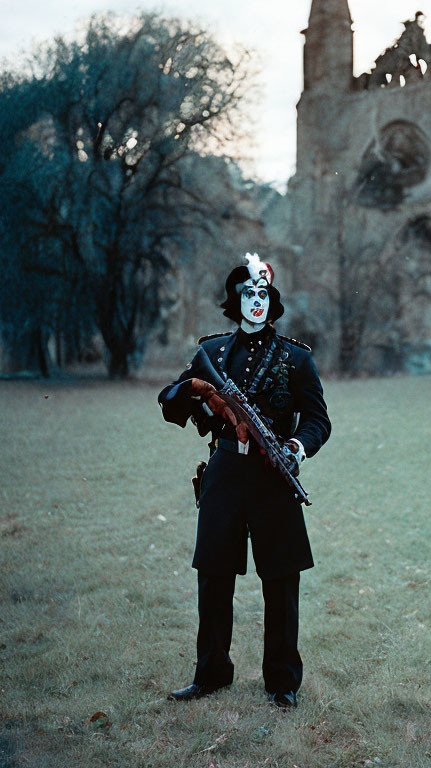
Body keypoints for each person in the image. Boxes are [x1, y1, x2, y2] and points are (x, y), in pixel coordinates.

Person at [158, 254, 331, 708]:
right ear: (235, 303)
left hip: (274, 478)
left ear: (271, 304)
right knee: (214, 577)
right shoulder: (210, 353)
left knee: (280, 581)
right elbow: (170, 402)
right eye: (247, 295)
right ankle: (211, 674)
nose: (256, 302)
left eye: (263, 295)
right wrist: (199, 395)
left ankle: (282, 682)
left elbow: (317, 421)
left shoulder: (296, 358)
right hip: (225, 475)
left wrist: (296, 448)